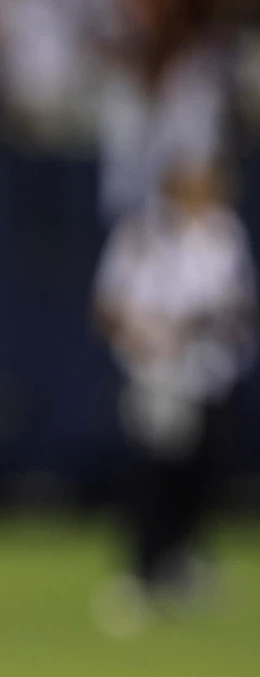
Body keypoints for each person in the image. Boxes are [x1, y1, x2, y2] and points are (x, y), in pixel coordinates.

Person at [91, 159, 257, 637]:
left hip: (210, 375)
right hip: (154, 376)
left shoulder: (222, 233)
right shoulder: (141, 234)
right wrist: (146, 334)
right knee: (151, 475)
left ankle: (181, 565)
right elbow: (107, 305)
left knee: (201, 474)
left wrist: (195, 326)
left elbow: (235, 301)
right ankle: (137, 575)